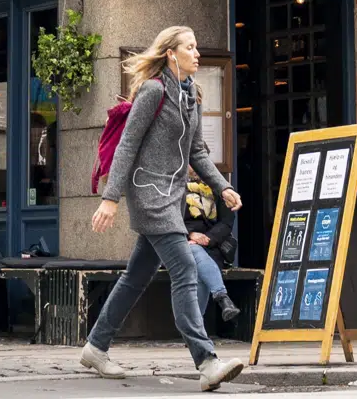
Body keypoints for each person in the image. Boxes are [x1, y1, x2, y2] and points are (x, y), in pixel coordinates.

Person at [80, 26, 245, 392]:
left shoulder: (192, 97)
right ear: (171, 54)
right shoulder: (154, 91)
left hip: (172, 195)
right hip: (148, 195)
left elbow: (197, 152)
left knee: (136, 276)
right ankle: (207, 362)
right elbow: (127, 146)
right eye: (190, 47)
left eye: (197, 46)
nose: (197, 53)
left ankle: (96, 346)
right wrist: (110, 198)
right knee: (185, 268)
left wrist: (224, 187)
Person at [184, 168, 241, 323]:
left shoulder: (218, 188)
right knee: (194, 251)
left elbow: (227, 222)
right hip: (180, 245)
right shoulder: (175, 185)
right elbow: (168, 218)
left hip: (211, 247)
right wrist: (190, 234)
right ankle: (223, 298)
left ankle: (195, 329)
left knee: (199, 268)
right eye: (191, 162)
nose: (195, 167)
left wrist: (208, 238)